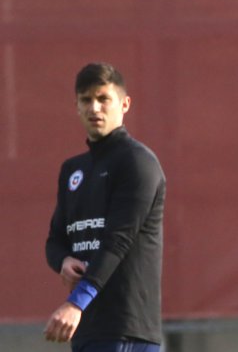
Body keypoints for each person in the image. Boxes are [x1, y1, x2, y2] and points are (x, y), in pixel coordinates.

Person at [44, 62, 166, 352]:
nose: (94, 108)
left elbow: (117, 240)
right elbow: (56, 239)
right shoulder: (72, 169)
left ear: (124, 104)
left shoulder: (137, 162)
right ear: (76, 106)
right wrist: (62, 260)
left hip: (126, 327)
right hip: (87, 326)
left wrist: (76, 302)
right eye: (86, 100)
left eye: (103, 99)